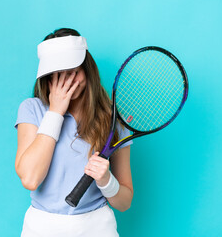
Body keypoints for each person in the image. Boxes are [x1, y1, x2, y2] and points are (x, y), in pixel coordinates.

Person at [14, 28, 133, 237]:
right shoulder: (32, 109)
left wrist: (106, 180)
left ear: (87, 70)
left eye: (73, 72)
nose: (67, 82)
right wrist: (55, 112)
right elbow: (30, 179)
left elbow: (124, 202)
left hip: (97, 228)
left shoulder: (112, 119)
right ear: (47, 79)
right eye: (58, 75)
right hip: (41, 228)